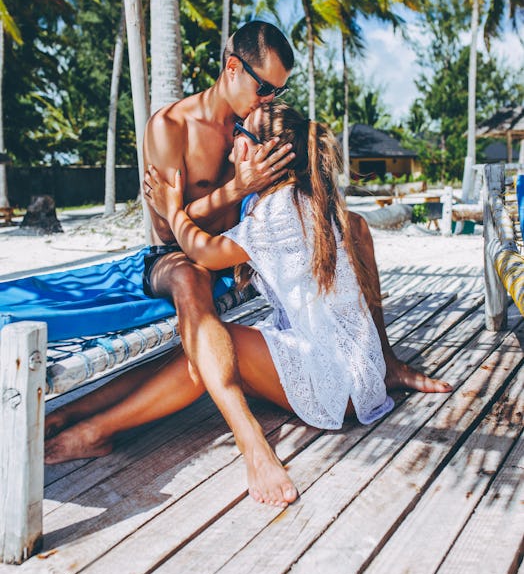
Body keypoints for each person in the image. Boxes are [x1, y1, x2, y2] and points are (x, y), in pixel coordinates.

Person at [45, 104, 401, 507]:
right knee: (207, 353)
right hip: (355, 372)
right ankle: (72, 416)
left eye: (241, 138)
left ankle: (95, 430)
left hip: (337, 382)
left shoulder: (278, 209)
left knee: (210, 339)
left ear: (265, 154)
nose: (233, 148)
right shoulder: (307, 200)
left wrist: (172, 210)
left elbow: (205, 252)